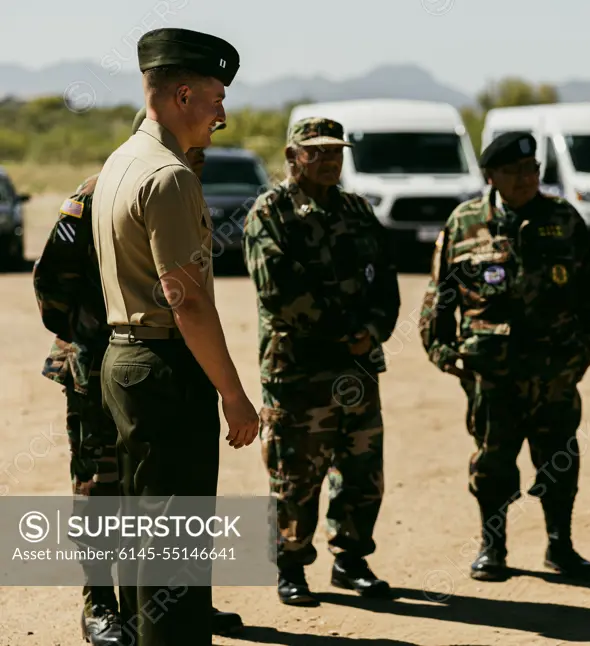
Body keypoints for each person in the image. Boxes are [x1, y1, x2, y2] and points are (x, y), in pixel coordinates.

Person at [33, 108, 242, 644]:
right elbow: (52, 281)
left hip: (151, 363)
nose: (198, 155)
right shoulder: (98, 190)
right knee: (103, 487)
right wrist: (90, 339)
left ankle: (167, 605)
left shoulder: (179, 184)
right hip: (97, 361)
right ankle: (101, 604)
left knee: (160, 495)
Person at [91, 29, 259, 646]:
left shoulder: (120, 162)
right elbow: (186, 301)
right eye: (215, 97)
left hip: (125, 360)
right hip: (164, 366)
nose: (222, 112)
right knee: (173, 546)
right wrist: (234, 396)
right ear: (183, 94)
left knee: (144, 533)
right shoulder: (169, 177)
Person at [418, 132, 590, 581]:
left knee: (560, 460)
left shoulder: (563, 219)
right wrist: (445, 354)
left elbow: (587, 302)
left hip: (555, 374)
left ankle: (560, 546)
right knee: (493, 465)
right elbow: (438, 299)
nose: (525, 179)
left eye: (532, 170)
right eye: (514, 172)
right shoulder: (465, 223)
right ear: (491, 176)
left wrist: (578, 357)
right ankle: (493, 547)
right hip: (491, 377)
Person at [242, 117, 400, 606]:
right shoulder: (271, 213)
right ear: (293, 157)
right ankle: (290, 565)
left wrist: (371, 332)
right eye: (317, 153)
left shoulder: (356, 209)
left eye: (336, 153)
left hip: (356, 369)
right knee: (296, 474)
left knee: (361, 469)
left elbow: (386, 283)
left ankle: (350, 559)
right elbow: (277, 292)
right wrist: (342, 335)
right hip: (298, 371)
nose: (330, 161)